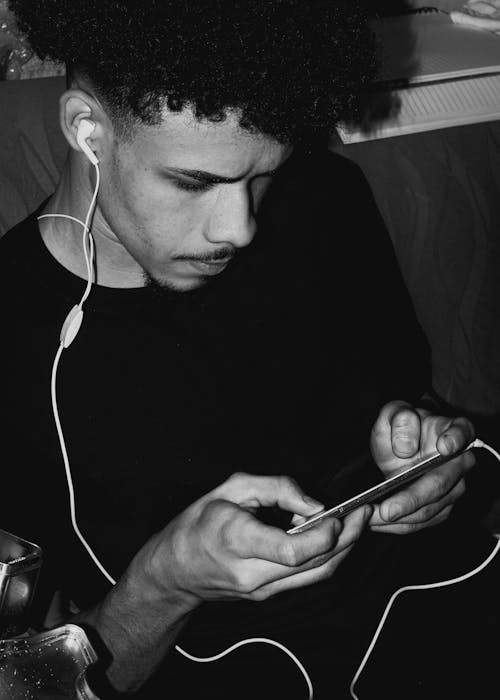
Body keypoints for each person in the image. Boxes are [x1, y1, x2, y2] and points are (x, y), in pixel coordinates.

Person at [1, 1, 496, 698]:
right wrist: (164, 584)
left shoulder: (325, 197)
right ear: (89, 132)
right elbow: (28, 684)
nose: (240, 227)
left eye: (262, 174)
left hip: (441, 617)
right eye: (194, 182)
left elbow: (406, 402)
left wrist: (421, 457)